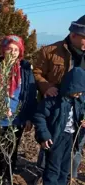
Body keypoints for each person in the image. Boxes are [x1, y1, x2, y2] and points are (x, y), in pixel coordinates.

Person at [32, 14, 85, 179]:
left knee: (76, 147)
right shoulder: (50, 51)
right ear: (74, 35)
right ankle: (45, 177)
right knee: (49, 148)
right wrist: (46, 86)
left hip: (80, 110)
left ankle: (69, 178)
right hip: (55, 110)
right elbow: (36, 72)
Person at [0, 35, 37, 184]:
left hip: (18, 116)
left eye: (16, 49)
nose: (12, 52)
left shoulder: (25, 69)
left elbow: (30, 94)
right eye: (9, 49)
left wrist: (29, 117)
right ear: (3, 50)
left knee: (13, 149)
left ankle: (9, 177)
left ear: (20, 51)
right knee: (0, 149)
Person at [32, 67, 85, 185]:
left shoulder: (79, 100)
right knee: (53, 168)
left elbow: (81, 114)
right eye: (78, 90)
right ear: (71, 86)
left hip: (70, 137)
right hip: (55, 137)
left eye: (82, 90)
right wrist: (44, 136)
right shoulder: (54, 98)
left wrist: (82, 120)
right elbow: (39, 116)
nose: (80, 93)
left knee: (65, 169)